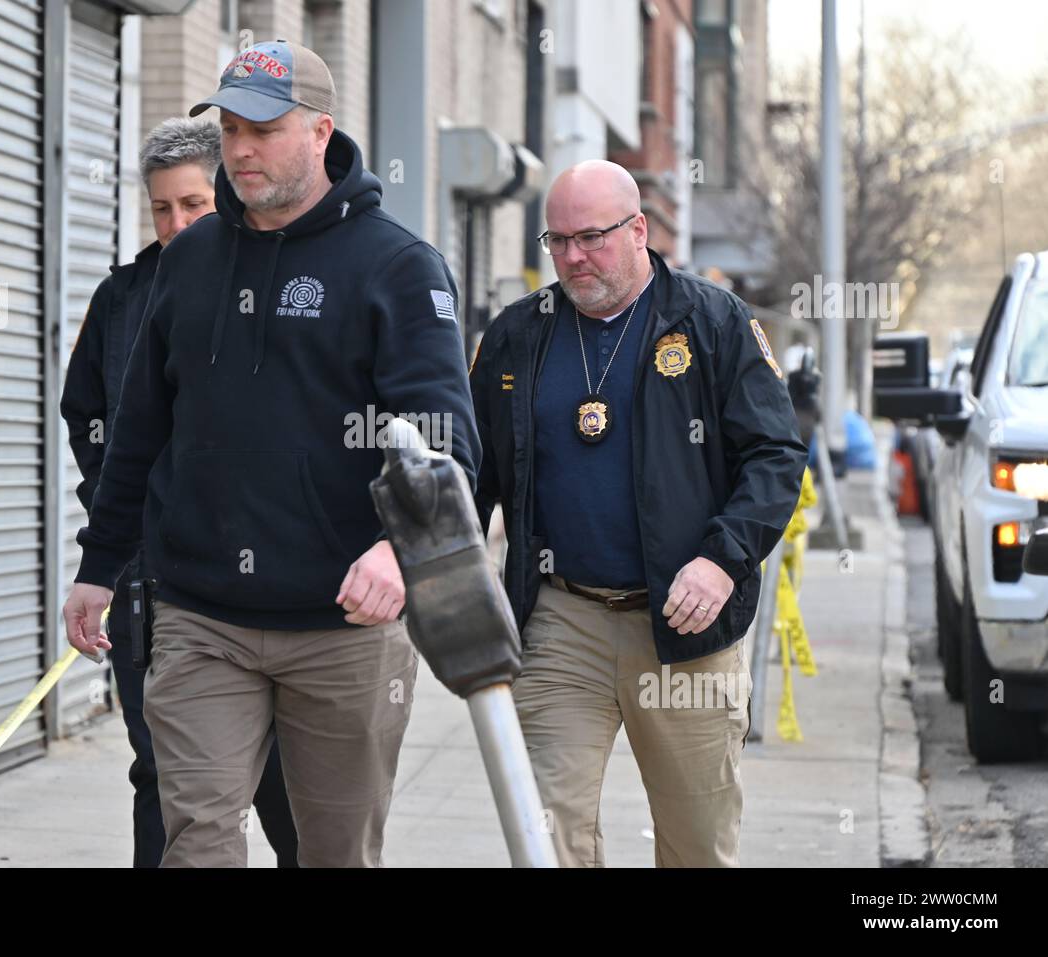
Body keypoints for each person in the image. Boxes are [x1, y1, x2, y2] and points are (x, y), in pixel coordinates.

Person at [61, 40, 479, 867]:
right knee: (199, 840)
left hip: (345, 628)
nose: (241, 147)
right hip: (201, 618)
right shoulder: (188, 263)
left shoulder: (396, 266)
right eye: (229, 127)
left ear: (320, 131)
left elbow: (445, 438)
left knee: (334, 852)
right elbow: (138, 428)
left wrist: (400, 549)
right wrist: (98, 565)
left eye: (264, 127)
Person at [470, 160, 807, 867]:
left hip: (686, 628)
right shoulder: (517, 336)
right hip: (561, 621)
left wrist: (722, 559)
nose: (571, 257)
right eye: (556, 240)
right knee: (544, 835)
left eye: (589, 237)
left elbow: (775, 456)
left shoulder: (712, 323)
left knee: (696, 847)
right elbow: (475, 473)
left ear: (639, 231)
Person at [59, 117, 297, 868]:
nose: (176, 224)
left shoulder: (272, 278)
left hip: (268, 588)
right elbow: (88, 415)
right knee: (162, 773)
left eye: (192, 205)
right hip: (148, 586)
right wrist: (122, 517)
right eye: (162, 208)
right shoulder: (121, 298)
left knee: (286, 785)